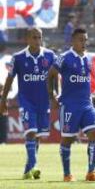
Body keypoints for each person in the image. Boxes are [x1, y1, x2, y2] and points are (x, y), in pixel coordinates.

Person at [0, 28, 56, 179]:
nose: (38, 41)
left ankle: (27, 169)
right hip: (26, 102)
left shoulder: (50, 55)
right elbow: (9, 79)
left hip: (43, 102)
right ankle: (34, 165)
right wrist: (3, 100)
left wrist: (55, 93)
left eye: (39, 37)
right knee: (31, 132)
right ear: (27, 39)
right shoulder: (17, 57)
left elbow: (56, 74)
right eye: (34, 37)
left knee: (37, 136)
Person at [47, 28, 95, 182]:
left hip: (87, 104)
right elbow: (51, 75)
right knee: (68, 139)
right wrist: (52, 97)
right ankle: (67, 174)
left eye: (85, 40)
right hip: (70, 105)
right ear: (73, 41)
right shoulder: (64, 57)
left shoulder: (88, 59)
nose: (84, 43)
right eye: (80, 40)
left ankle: (91, 172)